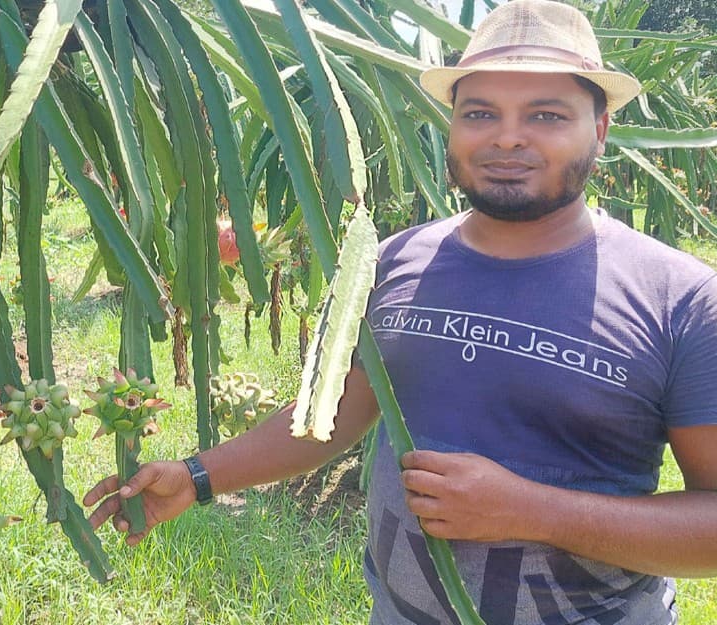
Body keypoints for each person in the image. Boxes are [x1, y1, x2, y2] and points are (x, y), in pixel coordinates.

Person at [83, 0, 717, 623]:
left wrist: (531, 511)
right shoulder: (392, 261)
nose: (507, 137)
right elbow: (329, 419)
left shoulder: (682, 299)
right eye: (480, 113)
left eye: (546, 115)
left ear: (599, 130)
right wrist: (196, 477)